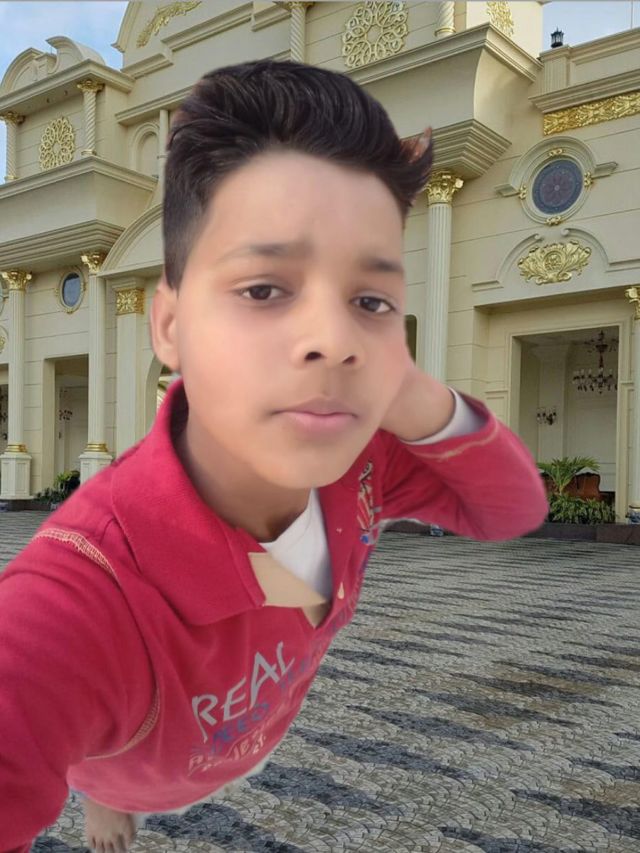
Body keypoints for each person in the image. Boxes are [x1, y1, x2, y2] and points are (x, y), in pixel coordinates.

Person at [0, 59, 548, 853]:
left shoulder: (359, 462)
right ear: (170, 325)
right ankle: (102, 794)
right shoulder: (75, 600)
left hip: (249, 726)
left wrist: (413, 396)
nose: (331, 339)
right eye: (263, 289)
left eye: (369, 300)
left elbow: (512, 508)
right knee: (112, 777)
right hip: (136, 767)